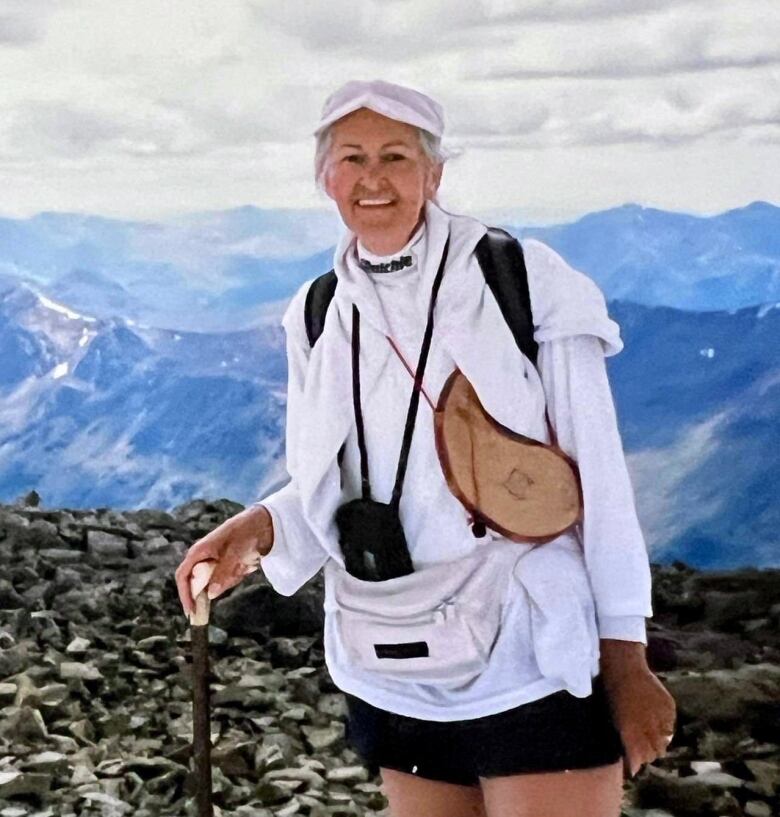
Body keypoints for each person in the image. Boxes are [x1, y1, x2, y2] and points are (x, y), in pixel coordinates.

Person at [176, 79, 676, 817]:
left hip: (528, 657)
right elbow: (334, 479)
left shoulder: (522, 283)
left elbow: (597, 475)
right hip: (392, 665)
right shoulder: (317, 313)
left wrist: (624, 654)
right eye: (352, 158)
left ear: (434, 174)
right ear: (326, 177)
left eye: (396, 157)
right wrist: (260, 529)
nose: (372, 178)